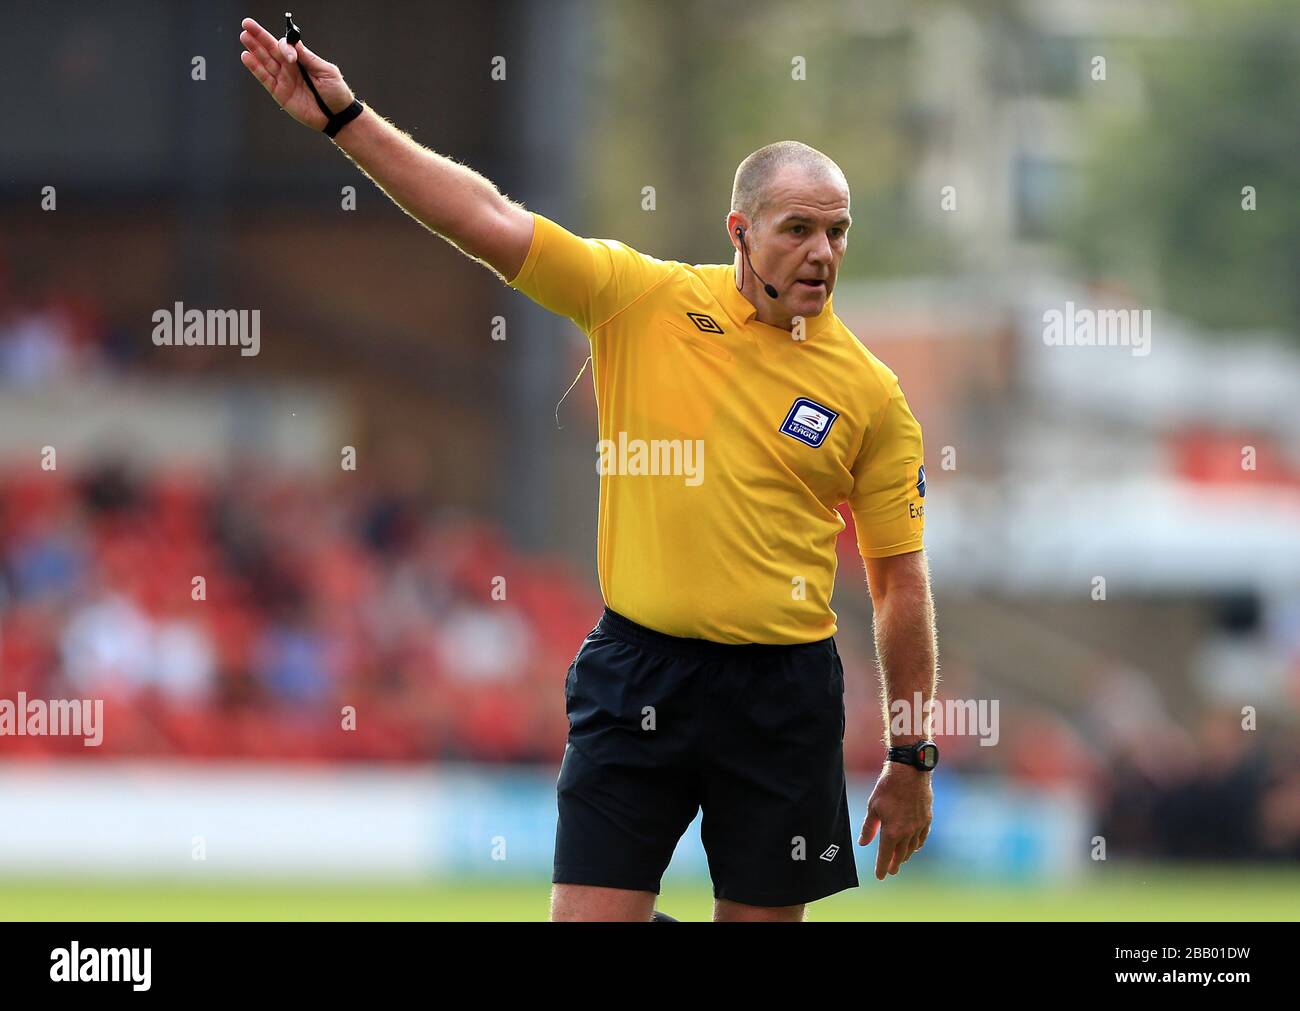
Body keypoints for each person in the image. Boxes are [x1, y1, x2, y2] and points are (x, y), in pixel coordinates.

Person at [238, 16, 939, 923]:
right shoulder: (639, 299)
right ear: (740, 229)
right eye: (798, 228)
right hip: (639, 673)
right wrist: (347, 122)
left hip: (783, 697)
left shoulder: (872, 394)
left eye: (838, 232)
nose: (822, 253)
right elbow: (486, 219)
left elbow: (900, 587)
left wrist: (912, 751)